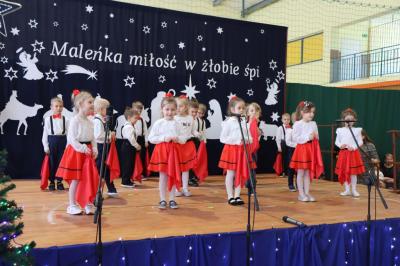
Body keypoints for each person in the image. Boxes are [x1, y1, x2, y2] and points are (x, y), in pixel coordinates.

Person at [56, 90, 99, 215]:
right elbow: (71, 139)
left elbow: (93, 138)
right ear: (80, 104)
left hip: (87, 153)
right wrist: (82, 148)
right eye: (90, 102)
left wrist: (94, 148)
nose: (92, 104)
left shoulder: (91, 121)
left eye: (93, 102)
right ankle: (72, 204)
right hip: (76, 152)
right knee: (75, 179)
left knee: (89, 178)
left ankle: (87, 203)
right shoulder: (75, 120)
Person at [148, 94, 182, 209]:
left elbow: (183, 137)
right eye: (167, 109)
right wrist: (163, 139)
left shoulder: (177, 123)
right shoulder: (159, 123)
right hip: (162, 151)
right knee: (163, 177)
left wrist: (179, 139)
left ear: (176, 110)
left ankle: (172, 199)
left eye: (172, 110)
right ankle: (162, 199)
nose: (170, 112)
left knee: (172, 174)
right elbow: (151, 138)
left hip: (173, 152)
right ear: (162, 110)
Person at [219, 96, 255, 206]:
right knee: (231, 173)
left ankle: (237, 195)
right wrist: (236, 141)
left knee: (240, 172)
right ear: (232, 109)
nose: (242, 110)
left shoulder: (244, 121)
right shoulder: (228, 122)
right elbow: (222, 138)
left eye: (243, 108)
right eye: (239, 108)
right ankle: (230, 196)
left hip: (242, 150)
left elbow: (250, 137)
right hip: (231, 150)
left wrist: (247, 140)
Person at [290, 101, 324, 202]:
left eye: (313, 112)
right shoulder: (297, 124)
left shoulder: (313, 123)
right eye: (309, 112)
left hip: (310, 150)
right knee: (301, 172)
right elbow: (295, 138)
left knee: (308, 173)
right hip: (302, 150)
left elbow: (317, 136)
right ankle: (301, 194)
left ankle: (307, 192)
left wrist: (315, 136)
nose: (311, 114)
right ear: (302, 112)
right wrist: (307, 137)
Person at [334, 108, 365, 197]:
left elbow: (360, 142)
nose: (349, 121)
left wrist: (354, 147)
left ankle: (354, 190)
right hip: (344, 153)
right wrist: (340, 145)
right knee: (345, 171)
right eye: (347, 119)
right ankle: (347, 190)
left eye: (351, 119)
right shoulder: (340, 130)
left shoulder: (357, 130)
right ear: (344, 120)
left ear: (354, 120)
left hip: (353, 154)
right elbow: (337, 141)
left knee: (353, 173)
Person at [42, 97, 69, 191]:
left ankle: (59, 181)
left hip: (62, 141)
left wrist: (67, 146)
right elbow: (45, 133)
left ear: (63, 107)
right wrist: (45, 146)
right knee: (52, 163)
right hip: (52, 141)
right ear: (51, 107)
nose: (58, 108)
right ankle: (52, 181)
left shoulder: (66, 119)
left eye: (60, 106)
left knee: (61, 163)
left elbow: (69, 134)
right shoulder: (47, 119)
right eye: (56, 106)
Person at [93, 97, 118, 197]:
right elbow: (98, 135)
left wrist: (110, 133)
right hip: (100, 147)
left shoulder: (102, 120)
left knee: (106, 167)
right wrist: (109, 135)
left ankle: (111, 188)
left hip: (105, 146)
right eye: (107, 109)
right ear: (101, 109)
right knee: (100, 169)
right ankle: (96, 189)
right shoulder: (97, 121)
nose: (108, 112)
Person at [174, 96, 198, 197]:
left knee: (186, 168)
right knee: (177, 168)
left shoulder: (190, 118)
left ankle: (185, 188)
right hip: (177, 145)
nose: (178, 108)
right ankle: (176, 188)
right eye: (177, 106)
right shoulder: (174, 118)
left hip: (187, 146)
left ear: (186, 107)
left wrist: (196, 133)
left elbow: (192, 131)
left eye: (180, 106)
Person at [120, 108, 141, 188]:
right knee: (127, 164)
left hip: (129, 147)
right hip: (128, 146)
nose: (137, 120)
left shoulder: (131, 126)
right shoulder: (128, 127)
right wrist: (137, 146)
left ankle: (128, 179)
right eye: (135, 118)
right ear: (129, 117)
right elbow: (131, 139)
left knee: (130, 164)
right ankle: (125, 181)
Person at [275, 113, 297, 191]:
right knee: (286, 160)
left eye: (288, 119)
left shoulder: (292, 127)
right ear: (282, 120)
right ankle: (284, 172)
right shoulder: (280, 128)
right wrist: (279, 147)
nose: (286, 121)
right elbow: (278, 138)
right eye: (285, 119)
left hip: (292, 147)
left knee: (293, 164)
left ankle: (298, 183)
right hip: (284, 144)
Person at [246, 102, 262, 194]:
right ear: (248, 113)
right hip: (246, 149)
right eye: (251, 111)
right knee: (246, 169)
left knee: (252, 169)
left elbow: (258, 136)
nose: (253, 113)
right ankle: (247, 184)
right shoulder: (245, 124)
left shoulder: (256, 125)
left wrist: (258, 130)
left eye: (256, 111)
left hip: (253, 150)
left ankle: (252, 188)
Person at [132, 101, 149, 180]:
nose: (139, 112)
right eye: (137, 110)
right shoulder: (131, 119)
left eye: (140, 110)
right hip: (134, 139)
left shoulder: (143, 120)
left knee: (141, 157)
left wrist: (146, 141)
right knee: (134, 157)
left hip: (141, 140)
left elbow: (145, 131)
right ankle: (134, 173)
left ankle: (141, 173)